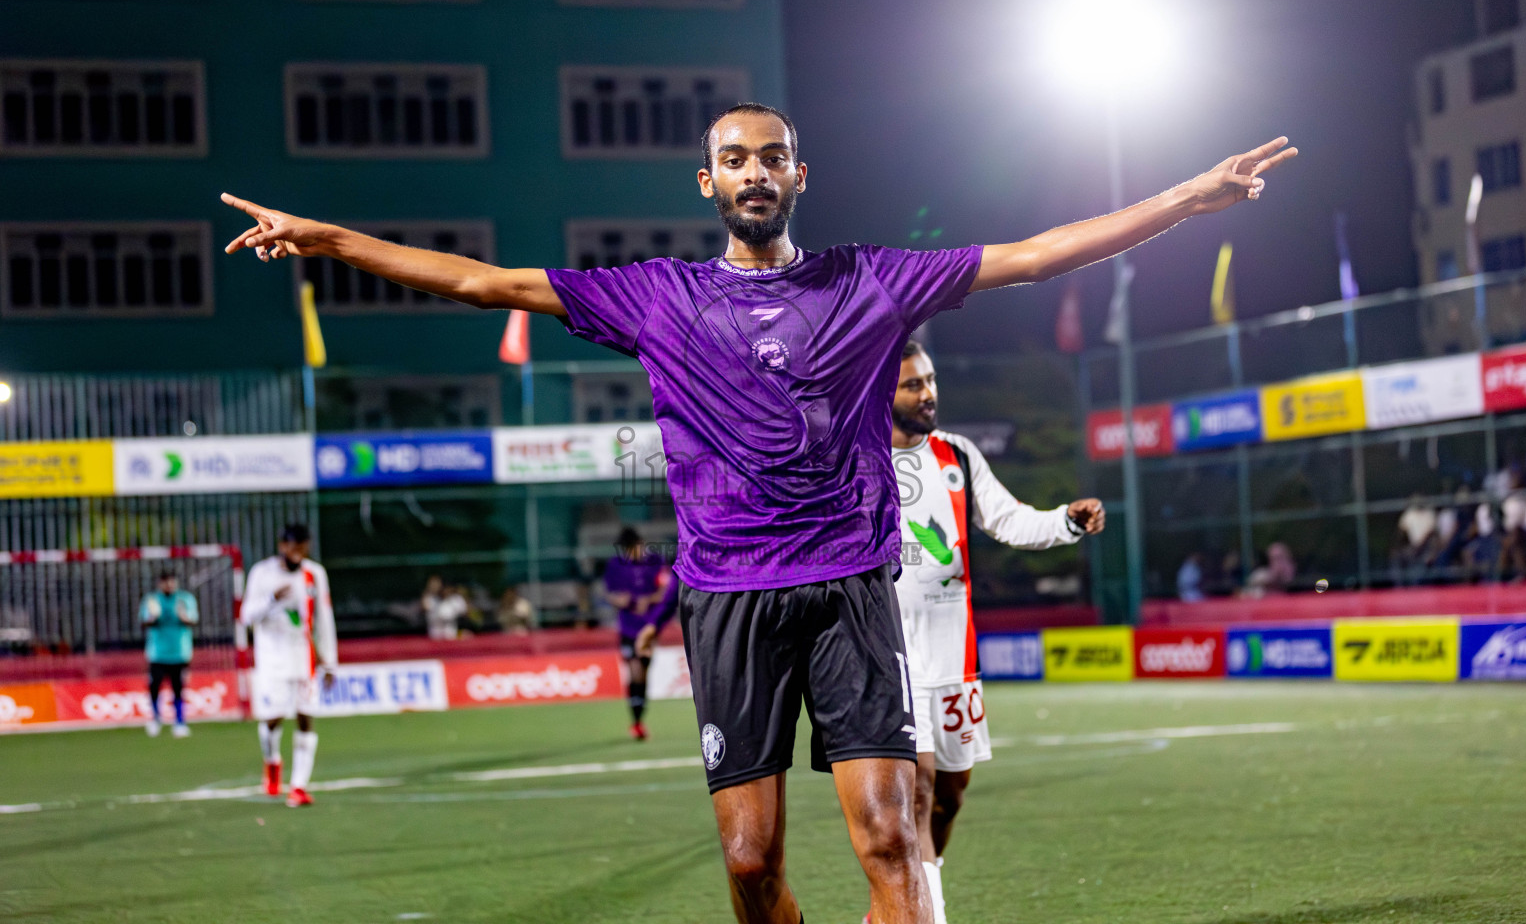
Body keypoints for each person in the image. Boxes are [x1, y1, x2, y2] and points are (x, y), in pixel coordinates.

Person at [221, 104, 1295, 924]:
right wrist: (331, 242)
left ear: (798, 174)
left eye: (771, 156)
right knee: (749, 864)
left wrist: (1182, 201)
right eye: (734, 159)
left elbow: (1031, 254)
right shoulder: (656, 297)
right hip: (728, 602)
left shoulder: (870, 280)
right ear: (708, 180)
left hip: (850, 596)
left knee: (893, 840)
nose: (754, 172)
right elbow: (482, 283)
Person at [889, 340, 1103, 924]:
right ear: (882, 389)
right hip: (890, 653)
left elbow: (1008, 518)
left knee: (951, 794)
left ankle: (899, 904)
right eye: (913, 384)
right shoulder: (855, 459)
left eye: (930, 380)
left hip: (954, 651)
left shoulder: (956, 454)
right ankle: (925, 915)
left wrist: (1064, 521)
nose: (929, 393)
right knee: (919, 787)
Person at [238, 524, 337, 808]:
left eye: (304, 548)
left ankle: (298, 787)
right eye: (294, 548)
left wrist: (330, 662)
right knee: (274, 718)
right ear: (282, 546)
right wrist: (271, 600)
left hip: (303, 656)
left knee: (306, 715)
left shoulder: (314, 574)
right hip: (272, 658)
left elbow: (324, 618)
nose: (299, 554)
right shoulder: (262, 573)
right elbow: (246, 616)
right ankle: (272, 761)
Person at [603, 527, 675, 739]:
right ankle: (636, 722)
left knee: (642, 673)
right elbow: (609, 594)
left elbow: (668, 589)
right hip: (627, 627)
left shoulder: (655, 561)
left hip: (648, 628)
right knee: (634, 670)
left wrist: (649, 600)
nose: (638, 551)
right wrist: (620, 600)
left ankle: (638, 720)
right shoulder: (615, 566)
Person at [140, 571, 199, 738]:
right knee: (154, 686)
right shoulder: (152, 600)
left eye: (172, 582)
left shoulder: (185, 599)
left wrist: (183, 616)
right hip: (157, 653)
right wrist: (152, 618)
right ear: (160, 583)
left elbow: (193, 620)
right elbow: (144, 621)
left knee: (178, 688)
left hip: (180, 652)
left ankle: (180, 722)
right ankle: (155, 719)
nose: (169, 585)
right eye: (165, 582)